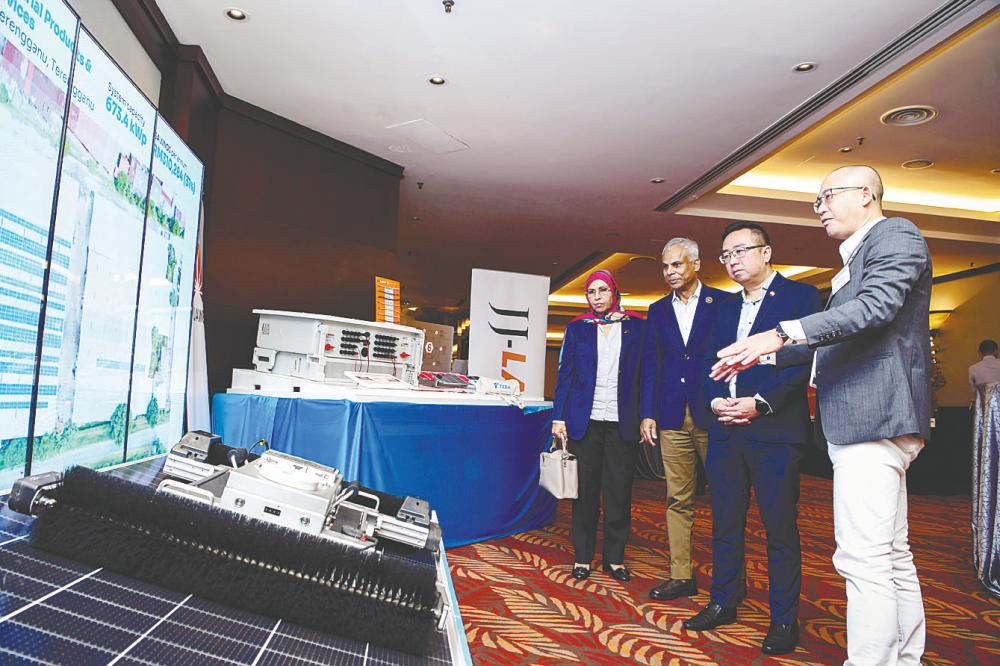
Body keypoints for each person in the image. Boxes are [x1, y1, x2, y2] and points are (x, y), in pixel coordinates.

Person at [712, 165, 932, 666]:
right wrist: (761, 353)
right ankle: (904, 657)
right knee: (891, 554)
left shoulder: (895, 233)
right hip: (865, 416)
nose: (821, 209)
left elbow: (874, 309)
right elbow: (838, 337)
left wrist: (780, 334)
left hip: (872, 415)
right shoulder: (854, 259)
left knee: (863, 557)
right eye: (818, 201)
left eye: (828, 196)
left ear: (867, 194)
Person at [682, 221, 820, 657]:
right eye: (726, 255)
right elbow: (705, 363)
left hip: (774, 431)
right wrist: (716, 402)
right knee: (725, 521)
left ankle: (783, 618)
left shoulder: (801, 297)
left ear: (767, 252)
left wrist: (761, 402)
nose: (734, 260)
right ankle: (724, 600)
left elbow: (802, 364)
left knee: (778, 527)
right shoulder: (722, 307)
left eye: (741, 251)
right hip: (726, 431)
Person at [639, 238, 725, 601]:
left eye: (677, 265)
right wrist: (647, 413)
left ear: (696, 265)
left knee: (725, 497)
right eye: (665, 266)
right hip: (671, 414)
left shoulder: (723, 302)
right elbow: (650, 365)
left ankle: (726, 578)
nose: (670, 272)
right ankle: (681, 575)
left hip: (715, 411)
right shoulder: (657, 310)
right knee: (677, 498)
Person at [551, 269, 644, 582]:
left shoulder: (636, 327)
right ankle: (582, 557)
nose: (598, 297)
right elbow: (565, 373)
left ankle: (615, 558)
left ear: (614, 292)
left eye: (603, 291)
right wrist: (558, 417)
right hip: (585, 421)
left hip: (622, 421)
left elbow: (645, 376)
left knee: (619, 492)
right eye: (592, 292)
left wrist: (647, 415)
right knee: (585, 493)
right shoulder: (578, 329)